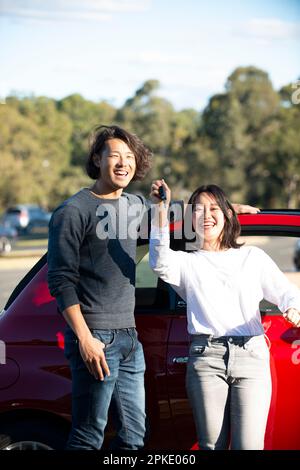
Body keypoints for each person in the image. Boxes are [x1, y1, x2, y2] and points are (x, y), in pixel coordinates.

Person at [149, 180, 300, 450]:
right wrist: (161, 208)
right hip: (206, 358)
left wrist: (292, 308)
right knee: (211, 447)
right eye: (199, 210)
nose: (206, 216)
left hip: (251, 357)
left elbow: (287, 293)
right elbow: (159, 260)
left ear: (228, 215)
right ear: (190, 219)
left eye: (214, 209)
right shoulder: (186, 263)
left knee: (249, 446)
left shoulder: (252, 257)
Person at [47, 125, 152, 450]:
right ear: (97, 159)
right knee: (88, 436)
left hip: (130, 338)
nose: (124, 163)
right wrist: (85, 339)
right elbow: (61, 280)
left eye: (130, 157)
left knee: (134, 439)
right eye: (115, 156)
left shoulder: (135, 205)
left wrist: (231, 210)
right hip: (96, 338)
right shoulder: (73, 210)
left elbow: (179, 220)